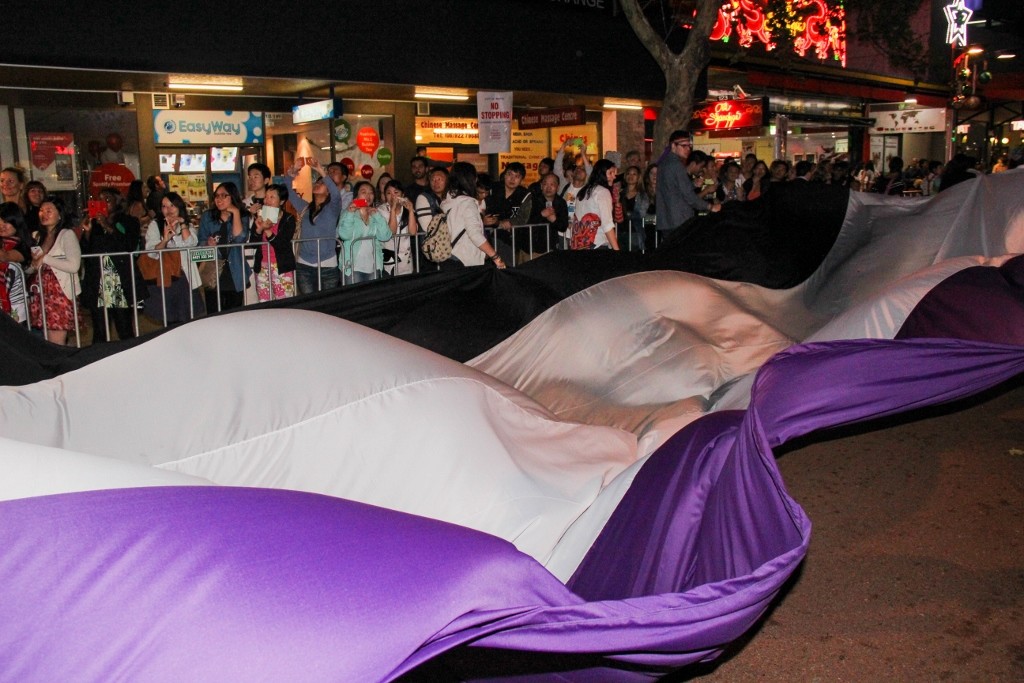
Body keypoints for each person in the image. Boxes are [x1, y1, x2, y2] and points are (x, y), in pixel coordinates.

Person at [79, 188, 140, 342]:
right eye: (99, 200)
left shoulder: (128, 221)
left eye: (107, 199)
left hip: (117, 280)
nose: (103, 203)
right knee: (100, 330)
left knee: (124, 327)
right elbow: (85, 252)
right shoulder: (93, 224)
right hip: (98, 280)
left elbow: (129, 245)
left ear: (117, 201)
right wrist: (86, 232)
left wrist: (107, 226)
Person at [142, 191, 203, 325]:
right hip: (166, 278)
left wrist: (182, 224)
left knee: (188, 319)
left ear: (179, 207)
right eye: (164, 206)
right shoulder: (155, 225)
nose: (168, 210)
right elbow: (151, 251)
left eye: (172, 206)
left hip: (185, 276)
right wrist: (165, 240)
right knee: (170, 320)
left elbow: (191, 243)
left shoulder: (188, 225)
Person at [285, 157, 344, 294]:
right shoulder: (304, 207)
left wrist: (321, 171)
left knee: (328, 303)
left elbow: (336, 195)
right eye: (316, 183)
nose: (317, 184)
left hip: (327, 264)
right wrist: (292, 172)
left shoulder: (333, 208)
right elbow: (289, 192)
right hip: (304, 264)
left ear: (328, 189)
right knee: (309, 304)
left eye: (322, 183)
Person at [28, 197, 82, 344]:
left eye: (49, 211)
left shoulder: (67, 235)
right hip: (43, 292)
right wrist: (34, 264)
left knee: (56, 337)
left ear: (60, 214)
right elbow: (32, 267)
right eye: (41, 210)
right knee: (46, 337)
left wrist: (45, 259)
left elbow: (74, 265)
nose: (44, 214)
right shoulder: (38, 236)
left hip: (59, 293)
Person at [441, 162, 505, 269]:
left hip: (450, 256)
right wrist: (495, 257)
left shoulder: (447, 200)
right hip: (465, 258)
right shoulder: (467, 203)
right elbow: (475, 234)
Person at [198, 181, 250, 312]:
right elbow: (200, 242)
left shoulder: (242, 215)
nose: (219, 199)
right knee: (213, 313)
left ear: (232, 196)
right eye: (217, 196)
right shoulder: (208, 217)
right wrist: (207, 244)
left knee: (235, 313)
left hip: (235, 271)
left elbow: (240, 238)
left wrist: (236, 213)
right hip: (213, 271)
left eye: (224, 195)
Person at [656, 130, 720, 234]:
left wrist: (693, 184)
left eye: (689, 146)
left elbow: (673, 190)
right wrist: (710, 207)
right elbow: (689, 196)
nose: (688, 149)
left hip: (667, 220)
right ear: (673, 146)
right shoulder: (676, 165)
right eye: (684, 146)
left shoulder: (664, 163)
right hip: (680, 220)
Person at [337, 181, 394, 285]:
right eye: (364, 192)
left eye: (371, 192)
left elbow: (386, 236)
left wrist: (377, 216)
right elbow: (344, 235)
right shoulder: (348, 213)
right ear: (356, 196)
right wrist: (350, 214)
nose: (368, 196)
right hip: (352, 266)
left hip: (373, 265)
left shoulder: (375, 214)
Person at [251, 183, 296, 302]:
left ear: (281, 201)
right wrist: (259, 229)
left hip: (281, 265)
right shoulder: (260, 216)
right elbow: (253, 243)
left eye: (272, 197)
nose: (267, 200)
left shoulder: (288, 218)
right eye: (266, 197)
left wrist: (268, 230)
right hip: (262, 266)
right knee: (263, 301)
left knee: (284, 302)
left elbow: (282, 244)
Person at [570, 159, 620, 250]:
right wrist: (617, 250)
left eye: (614, 173)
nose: (614, 176)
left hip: (579, 245)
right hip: (597, 244)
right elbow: (607, 225)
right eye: (610, 173)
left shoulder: (584, 190)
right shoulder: (603, 192)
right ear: (602, 174)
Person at [377, 179, 417, 275]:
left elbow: (413, 232)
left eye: (396, 192)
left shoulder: (406, 210)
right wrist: (393, 210)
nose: (393, 196)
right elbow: (392, 231)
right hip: (388, 261)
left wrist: (411, 210)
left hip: (406, 261)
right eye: (388, 193)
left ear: (402, 195)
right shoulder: (381, 210)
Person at [0, 202, 32, 318]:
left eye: (6, 222)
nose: (2, 225)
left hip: (14, 308)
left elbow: (5, 257)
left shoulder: (22, 246)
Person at [525, 172, 569, 254]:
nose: (548, 187)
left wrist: (554, 220)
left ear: (558, 187)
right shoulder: (532, 200)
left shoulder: (561, 202)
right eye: (545, 184)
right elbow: (524, 222)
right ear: (541, 186)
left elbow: (563, 226)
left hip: (552, 247)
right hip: (532, 247)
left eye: (552, 184)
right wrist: (541, 215)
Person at [616, 165, 642, 250]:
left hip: (635, 232)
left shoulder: (642, 195)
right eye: (628, 174)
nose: (630, 176)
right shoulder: (620, 194)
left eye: (634, 174)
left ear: (638, 177)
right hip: (620, 231)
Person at [415, 166, 449, 232]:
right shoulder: (424, 198)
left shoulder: (452, 197)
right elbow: (427, 227)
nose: (435, 183)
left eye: (439, 179)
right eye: (432, 180)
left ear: (447, 180)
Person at [633, 163, 658, 250]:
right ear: (648, 176)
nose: (655, 175)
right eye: (652, 173)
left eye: (657, 173)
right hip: (646, 230)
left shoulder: (665, 193)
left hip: (661, 229)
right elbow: (637, 214)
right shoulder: (642, 194)